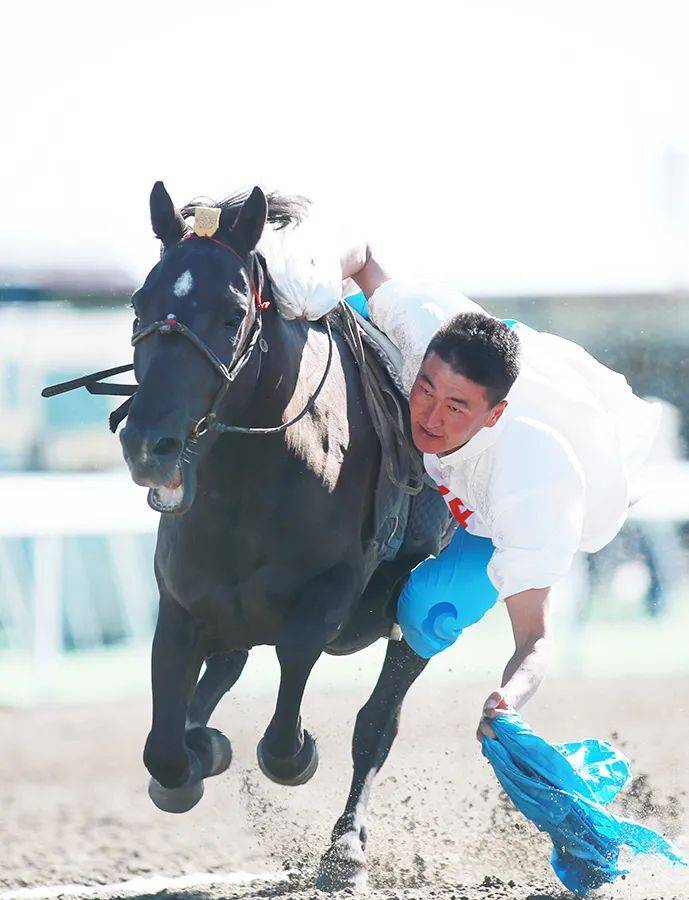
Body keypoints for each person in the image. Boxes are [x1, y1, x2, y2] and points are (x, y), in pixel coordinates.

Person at [259, 213, 661, 743]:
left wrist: (508, 701)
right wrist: (311, 279)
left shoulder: (533, 484)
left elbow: (535, 639)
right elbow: (360, 252)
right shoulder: (419, 326)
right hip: (464, 349)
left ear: (492, 415)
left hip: (503, 507)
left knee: (431, 611)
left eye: (454, 408)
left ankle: (384, 712)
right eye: (424, 391)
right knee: (336, 316)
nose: (428, 418)